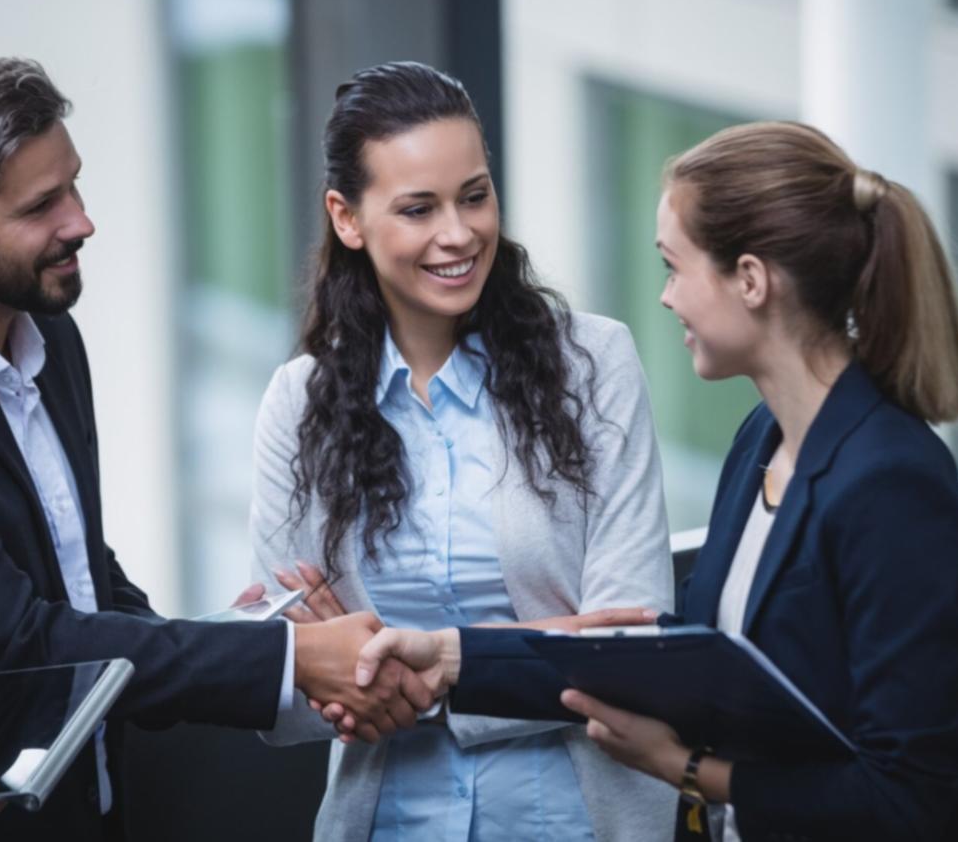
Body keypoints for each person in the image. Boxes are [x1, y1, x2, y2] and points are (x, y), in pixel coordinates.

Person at [0, 53, 430, 842]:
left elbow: (79, 573)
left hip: (102, 805)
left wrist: (234, 637)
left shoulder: (48, 330)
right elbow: (22, 645)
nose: (80, 220)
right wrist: (286, 662)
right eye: (43, 205)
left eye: (73, 184)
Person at [355, 121, 958, 841]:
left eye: (675, 267)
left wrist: (686, 769)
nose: (668, 298)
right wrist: (452, 657)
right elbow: (691, 661)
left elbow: (910, 797)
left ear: (752, 280)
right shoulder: (763, 438)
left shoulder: (891, 481)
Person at [250, 61, 676, 841]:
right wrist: (539, 647)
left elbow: (629, 650)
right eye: (418, 209)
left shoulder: (594, 365)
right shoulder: (298, 403)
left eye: (474, 196)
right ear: (347, 219)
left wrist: (416, 665)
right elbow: (286, 694)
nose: (459, 234)